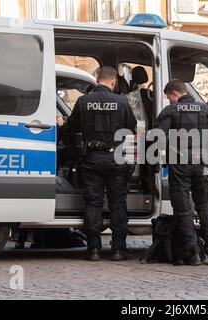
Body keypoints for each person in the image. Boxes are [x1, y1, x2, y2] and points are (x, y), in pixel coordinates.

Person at [66, 66, 137, 261]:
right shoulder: (121, 102)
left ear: (98, 79)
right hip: (116, 159)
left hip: (92, 159)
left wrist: (77, 149)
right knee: (118, 204)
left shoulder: (83, 101)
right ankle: (117, 250)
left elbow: (70, 128)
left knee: (93, 203)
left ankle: (94, 250)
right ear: (113, 82)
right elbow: (131, 128)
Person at [155, 79, 208, 266]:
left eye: (169, 98)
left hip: (180, 164)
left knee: (184, 209)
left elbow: (158, 136)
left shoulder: (171, 111)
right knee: (205, 206)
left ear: (175, 94)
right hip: (202, 162)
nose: (170, 101)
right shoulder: (207, 110)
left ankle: (193, 255)